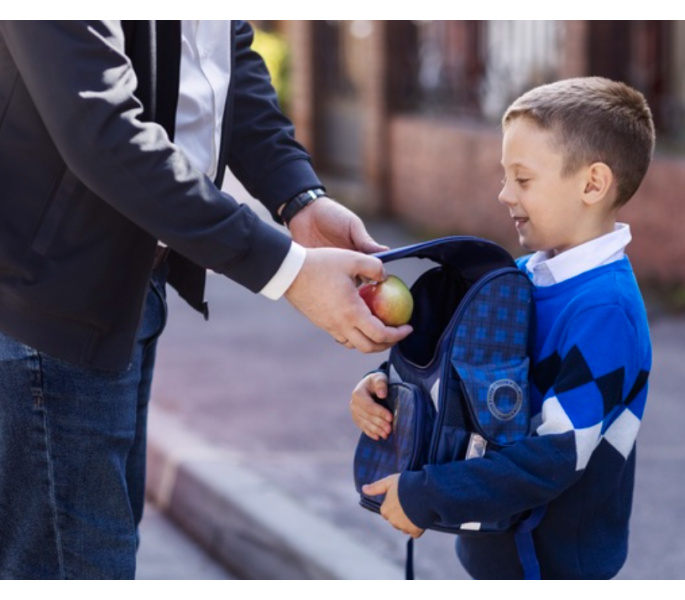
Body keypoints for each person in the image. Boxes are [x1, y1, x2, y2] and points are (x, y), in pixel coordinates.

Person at [0, 20, 410, 579]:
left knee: (97, 557)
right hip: (45, 299)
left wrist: (299, 197)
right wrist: (286, 270)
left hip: (135, 283)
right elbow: (99, 126)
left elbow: (226, 63)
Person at [350, 77, 655, 579]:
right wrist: (384, 387)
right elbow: (459, 378)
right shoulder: (525, 277)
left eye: (523, 179)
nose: (504, 193)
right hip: (498, 555)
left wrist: (431, 494)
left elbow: (556, 456)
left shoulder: (605, 311)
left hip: (553, 569)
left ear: (592, 184)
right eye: (504, 175)